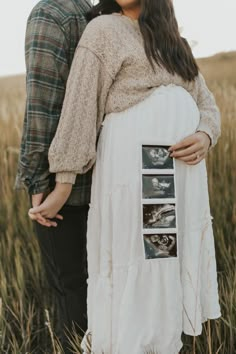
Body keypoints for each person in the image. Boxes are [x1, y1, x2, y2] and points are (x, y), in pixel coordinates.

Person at [29, 0, 222, 353]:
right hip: (138, 171)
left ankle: (162, 343)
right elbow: (80, 106)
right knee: (140, 259)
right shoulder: (103, 30)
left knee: (163, 260)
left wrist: (205, 134)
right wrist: (63, 182)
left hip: (177, 174)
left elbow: (206, 102)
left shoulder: (170, 38)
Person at [15, 0, 92, 352]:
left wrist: (36, 182)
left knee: (69, 292)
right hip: (105, 181)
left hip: (65, 195)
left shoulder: (50, 14)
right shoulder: (98, 14)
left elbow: (42, 105)